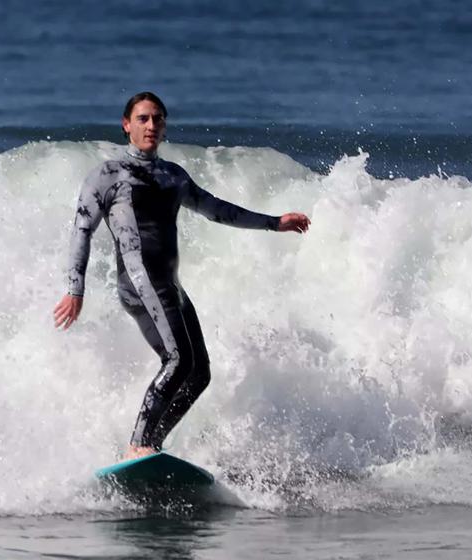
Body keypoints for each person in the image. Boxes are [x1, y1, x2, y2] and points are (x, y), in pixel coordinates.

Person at [53, 92, 310, 461]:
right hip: (140, 284)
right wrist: (74, 290)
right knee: (177, 361)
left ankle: (151, 445)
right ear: (126, 124)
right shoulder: (107, 176)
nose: (151, 126)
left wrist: (274, 223)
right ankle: (137, 445)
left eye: (157, 119)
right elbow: (82, 230)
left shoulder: (172, 176)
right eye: (142, 119)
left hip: (168, 286)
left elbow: (216, 210)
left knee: (199, 372)